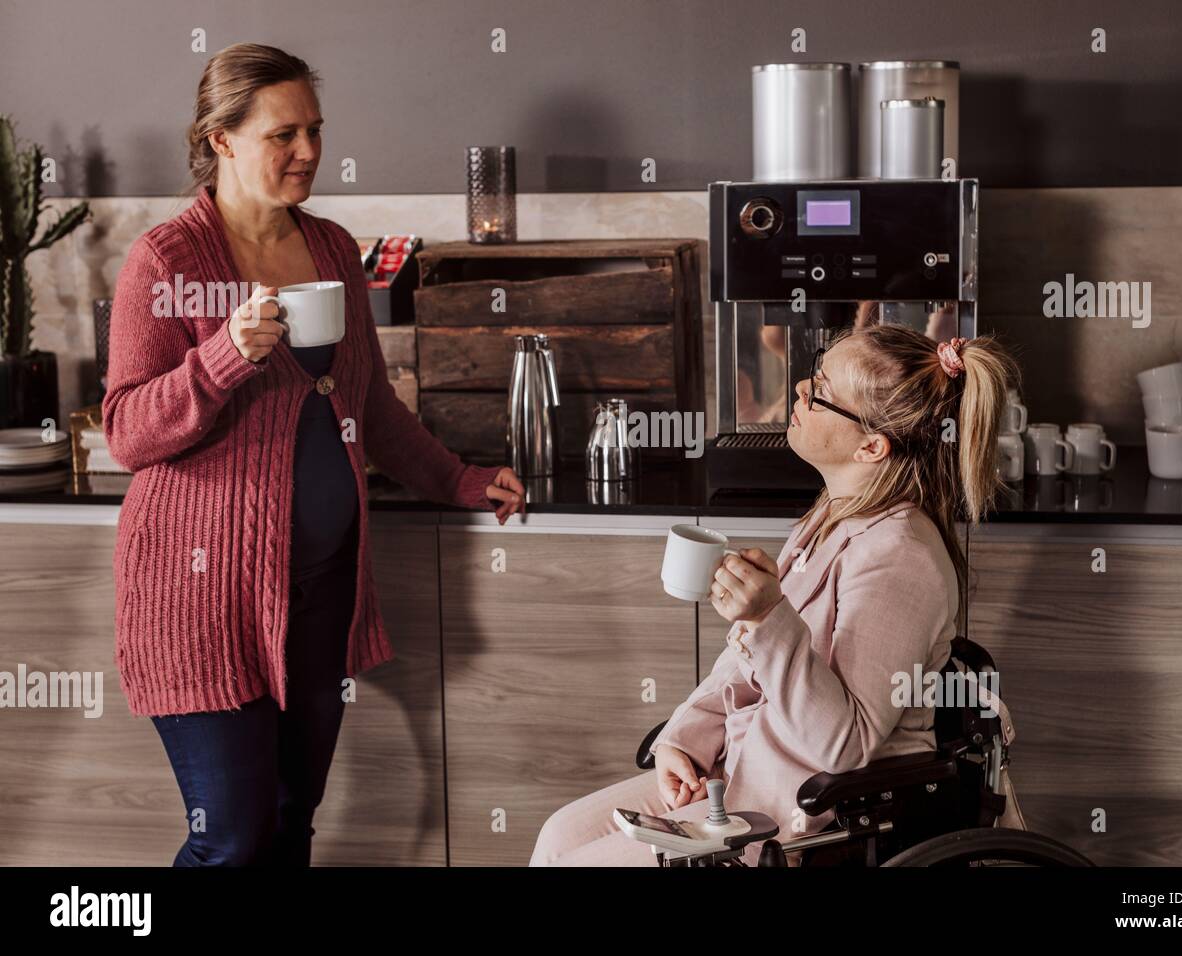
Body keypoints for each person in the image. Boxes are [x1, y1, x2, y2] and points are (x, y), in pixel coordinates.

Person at [103, 42, 524, 866]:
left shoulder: (331, 247)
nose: (308, 153)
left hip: (320, 596)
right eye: (282, 134)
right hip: (201, 599)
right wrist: (224, 355)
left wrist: (461, 481)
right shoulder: (168, 261)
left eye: (316, 131)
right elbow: (126, 430)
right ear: (221, 139)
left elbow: (368, 405)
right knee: (230, 839)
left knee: (292, 825)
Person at [530, 324, 1026, 866]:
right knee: (560, 836)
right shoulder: (828, 520)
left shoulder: (900, 559)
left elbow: (845, 747)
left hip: (811, 818)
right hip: (742, 776)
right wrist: (685, 739)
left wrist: (770, 617)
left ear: (871, 445)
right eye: (813, 375)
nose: (798, 392)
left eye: (821, 393)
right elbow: (744, 663)